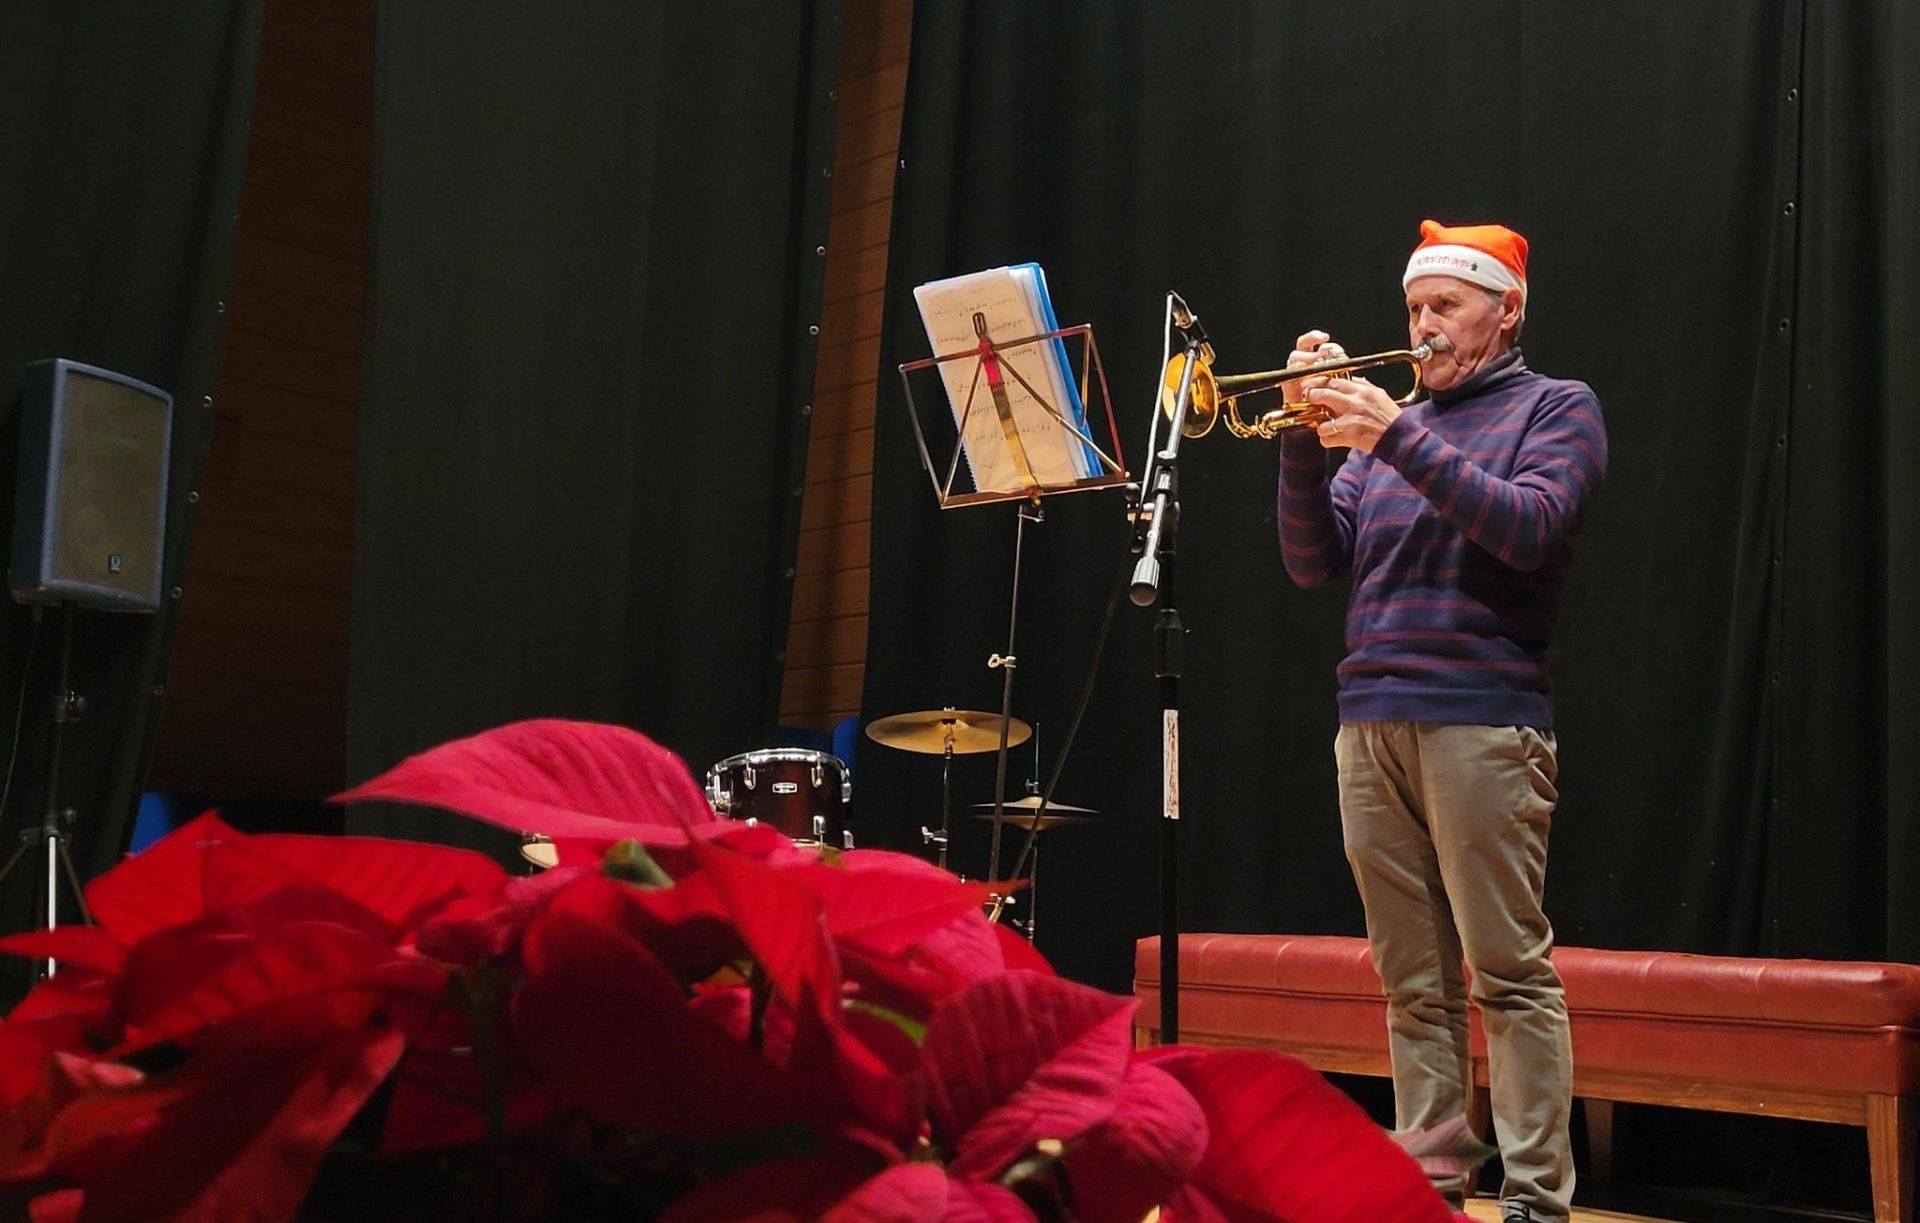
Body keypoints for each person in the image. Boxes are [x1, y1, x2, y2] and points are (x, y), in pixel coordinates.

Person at [1276, 219, 1607, 1223]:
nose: (1422, 327)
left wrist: (1397, 435)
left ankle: (1538, 1202)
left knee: (1507, 974)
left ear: (1506, 310)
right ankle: (1428, 1192)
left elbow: (1528, 525)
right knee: (1411, 986)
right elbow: (1309, 558)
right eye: (1414, 308)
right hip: (1368, 720)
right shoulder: (1390, 430)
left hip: (1482, 722)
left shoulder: (1558, 408)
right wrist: (1299, 435)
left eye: (1444, 307)